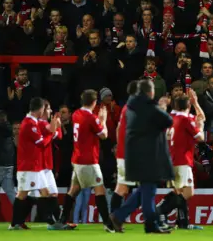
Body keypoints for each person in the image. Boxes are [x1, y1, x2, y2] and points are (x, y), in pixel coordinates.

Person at [109, 79, 174, 234]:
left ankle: (118, 216)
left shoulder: (130, 107)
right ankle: (150, 224)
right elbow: (167, 120)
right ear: (150, 92)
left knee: (143, 190)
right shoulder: (147, 107)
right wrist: (162, 107)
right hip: (148, 155)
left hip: (135, 154)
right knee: (149, 190)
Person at [59, 89, 114, 232]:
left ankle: (62, 220)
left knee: (73, 190)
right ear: (94, 102)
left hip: (77, 158)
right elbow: (104, 135)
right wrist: (103, 120)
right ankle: (108, 224)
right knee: (99, 189)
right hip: (88, 160)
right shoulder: (91, 118)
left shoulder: (77, 114)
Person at [9, 97, 65, 230]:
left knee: (36, 193)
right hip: (29, 166)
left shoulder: (32, 122)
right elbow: (41, 142)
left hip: (34, 165)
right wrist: (52, 133)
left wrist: (53, 129)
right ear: (41, 109)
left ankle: (17, 223)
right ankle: (18, 223)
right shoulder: (30, 123)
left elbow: (55, 135)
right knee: (26, 194)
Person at [156, 90, 206, 230]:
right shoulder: (185, 120)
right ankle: (160, 210)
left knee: (179, 192)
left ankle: (182, 223)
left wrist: (195, 103)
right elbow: (200, 137)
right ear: (188, 105)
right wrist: (200, 127)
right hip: (182, 160)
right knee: (188, 193)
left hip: (171, 159)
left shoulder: (171, 117)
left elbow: (201, 117)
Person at [28, 100, 63, 226]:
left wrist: (56, 128)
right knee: (35, 194)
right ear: (43, 111)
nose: (50, 112)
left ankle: (57, 220)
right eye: (48, 109)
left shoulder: (45, 124)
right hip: (39, 165)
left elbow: (58, 135)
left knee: (51, 193)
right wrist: (56, 127)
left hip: (47, 164)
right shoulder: (40, 124)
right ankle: (51, 220)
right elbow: (56, 135)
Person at [110, 81, 138, 213]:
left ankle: (115, 218)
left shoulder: (127, 107)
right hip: (128, 155)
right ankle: (115, 218)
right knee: (122, 188)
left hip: (125, 153)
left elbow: (118, 129)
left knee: (123, 188)